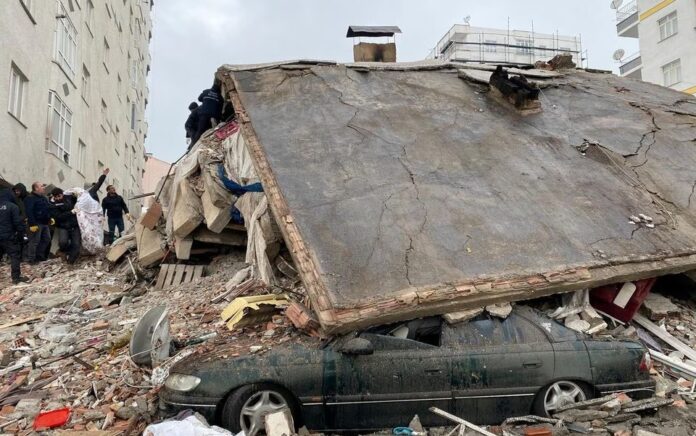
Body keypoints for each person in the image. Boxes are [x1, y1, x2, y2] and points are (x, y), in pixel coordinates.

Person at [0, 189, 28, 284]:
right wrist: (22, 235)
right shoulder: (13, 207)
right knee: (14, 255)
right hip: (8, 236)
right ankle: (16, 278)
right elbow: (18, 223)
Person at [49, 188, 81, 264]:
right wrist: (71, 212)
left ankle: (70, 262)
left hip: (74, 225)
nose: (58, 198)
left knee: (76, 244)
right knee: (62, 242)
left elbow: (80, 200)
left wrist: (76, 195)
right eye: (56, 197)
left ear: (62, 194)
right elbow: (58, 217)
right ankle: (63, 252)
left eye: (59, 196)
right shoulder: (53, 205)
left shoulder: (69, 198)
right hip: (63, 226)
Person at [24, 182, 52, 264]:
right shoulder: (30, 198)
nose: (44, 187)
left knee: (47, 239)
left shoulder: (44, 198)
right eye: (42, 186)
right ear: (36, 188)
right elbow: (29, 212)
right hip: (36, 223)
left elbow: (48, 208)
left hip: (45, 223)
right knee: (34, 241)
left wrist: (50, 218)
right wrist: (32, 224)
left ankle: (39, 256)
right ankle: (31, 259)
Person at [191, 82, 223, 146]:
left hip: (204, 114)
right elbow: (220, 108)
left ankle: (193, 145)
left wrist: (206, 101)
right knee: (215, 129)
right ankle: (218, 141)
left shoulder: (206, 92)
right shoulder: (220, 97)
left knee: (200, 131)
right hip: (214, 116)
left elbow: (199, 99)